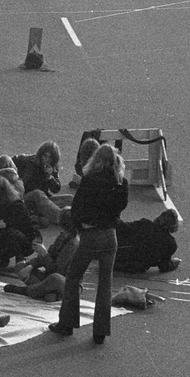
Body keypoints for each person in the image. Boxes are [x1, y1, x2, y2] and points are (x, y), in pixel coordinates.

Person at [51, 144, 130, 345]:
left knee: (73, 277)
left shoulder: (89, 180)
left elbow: (76, 209)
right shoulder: (122, 183)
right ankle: (100, 332)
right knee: (105, 284)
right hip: (110, 237)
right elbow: (120, 209)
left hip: (91, 235)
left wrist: (80, 227)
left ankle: (67, 323)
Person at [0, 169, 43, 270]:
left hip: (24, 241)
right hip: (7, 238)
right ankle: (1, 260)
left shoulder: (16, 205)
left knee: (10, 234)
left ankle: (18, 260)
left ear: (2, 193)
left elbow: (12, 227)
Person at [113, 209, 181, 274]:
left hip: (116, 258)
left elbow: (122, 227)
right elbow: (163, 266)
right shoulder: (171, 244)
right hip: (135, 268)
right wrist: (173, 264)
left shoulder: (145, 224)